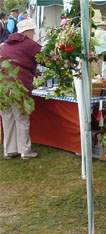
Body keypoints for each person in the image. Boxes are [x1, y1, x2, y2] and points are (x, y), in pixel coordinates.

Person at [0, 19, 41, 159]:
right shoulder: (30, 44)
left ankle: (10, 150)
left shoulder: (6, 43)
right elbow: (45, 59)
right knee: (21, 118)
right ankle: (25, 151)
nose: (34, 33)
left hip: (3, 86)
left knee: (7, 118)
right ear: (27, 32)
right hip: (19, 86)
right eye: (33, 31)